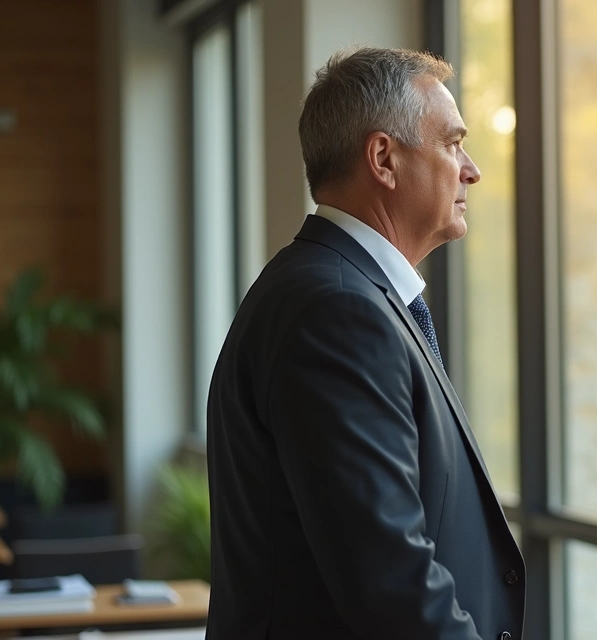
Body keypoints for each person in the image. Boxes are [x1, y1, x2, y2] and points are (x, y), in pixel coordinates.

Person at [205, 47, 525, 639]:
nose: (472, 169)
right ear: (383, 158)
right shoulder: (339, 311)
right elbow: (390, 578)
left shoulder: (335, 291)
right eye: (453, 143)